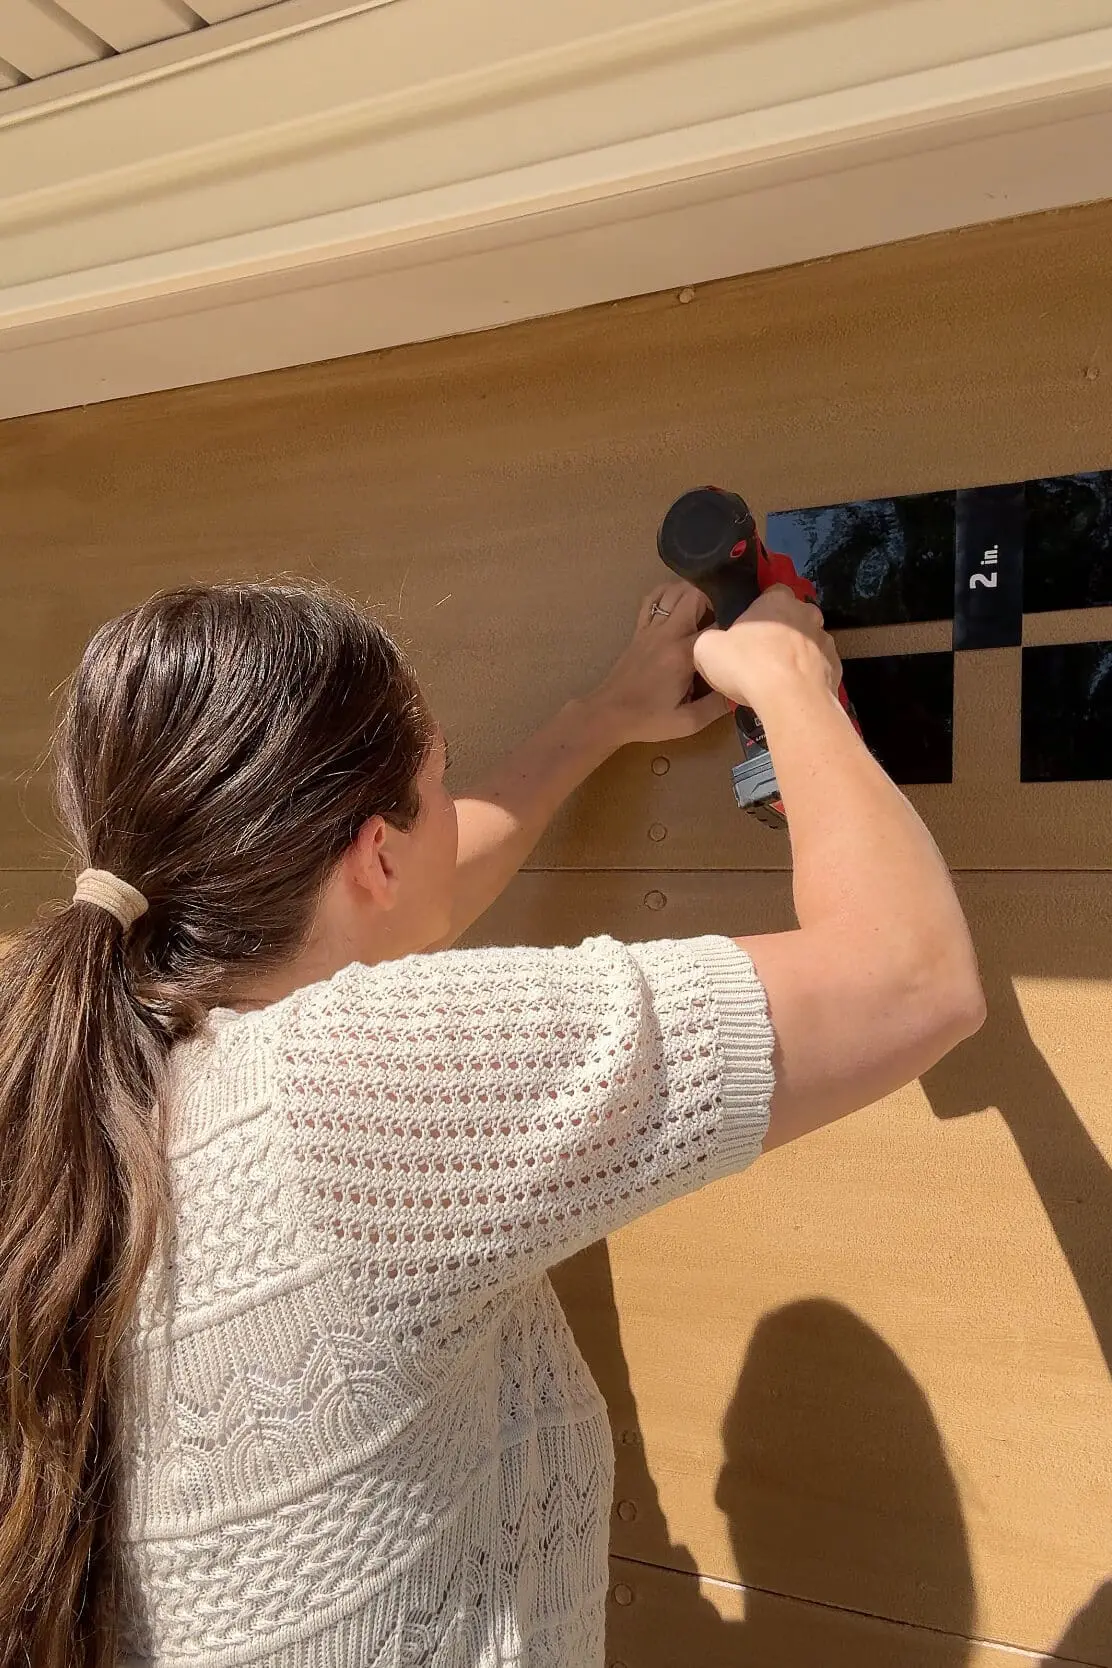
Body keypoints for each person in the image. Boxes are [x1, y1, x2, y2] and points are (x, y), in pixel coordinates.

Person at [0, 575, 984, 1668]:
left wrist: (599, 720)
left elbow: (398, 895)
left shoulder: (74, 1047)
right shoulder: (346, 1085)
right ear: (373, 854)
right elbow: (907, 981)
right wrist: (787, 682)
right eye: (442, 781)